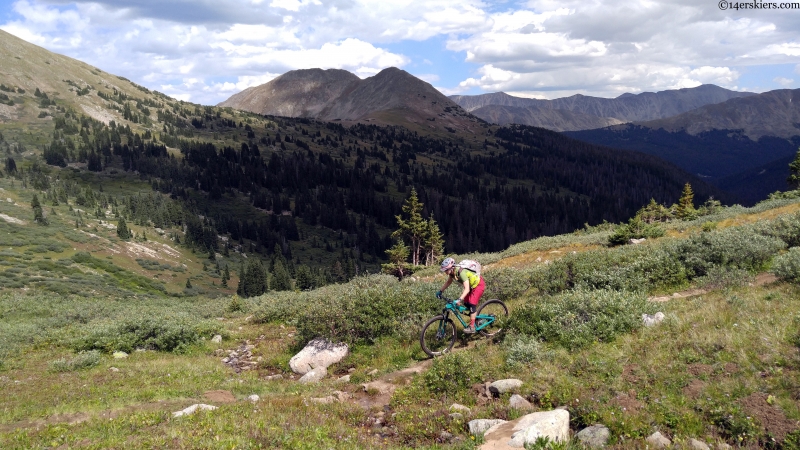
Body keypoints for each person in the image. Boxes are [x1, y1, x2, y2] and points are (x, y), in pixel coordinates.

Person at [436, 257, 485, 333]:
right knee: (466, 303)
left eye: (446, 270)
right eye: (444, 270)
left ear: (451, 268)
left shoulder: (461, 272)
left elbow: (467, 289)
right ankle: (477, 319)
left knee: (472, 304)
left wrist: (459, 299)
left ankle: (472, 327)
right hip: (471, 286)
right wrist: (440, 291)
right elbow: (448, 282)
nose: (445, 272)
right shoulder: (452, 273)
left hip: (478, 285)